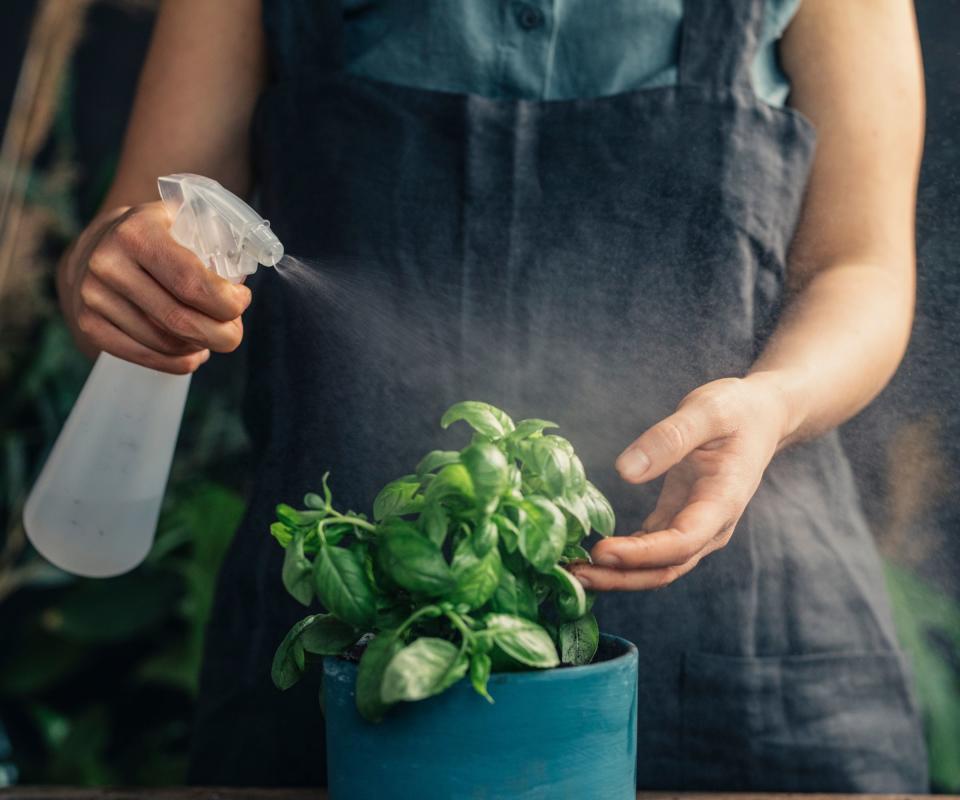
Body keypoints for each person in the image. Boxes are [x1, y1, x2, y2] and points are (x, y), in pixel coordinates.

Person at [56, 0, 927, 791]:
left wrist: (776, 400)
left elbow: (863, 268)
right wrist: (124, 268)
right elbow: (141, 217)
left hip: (754, 653)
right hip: (355, 637)